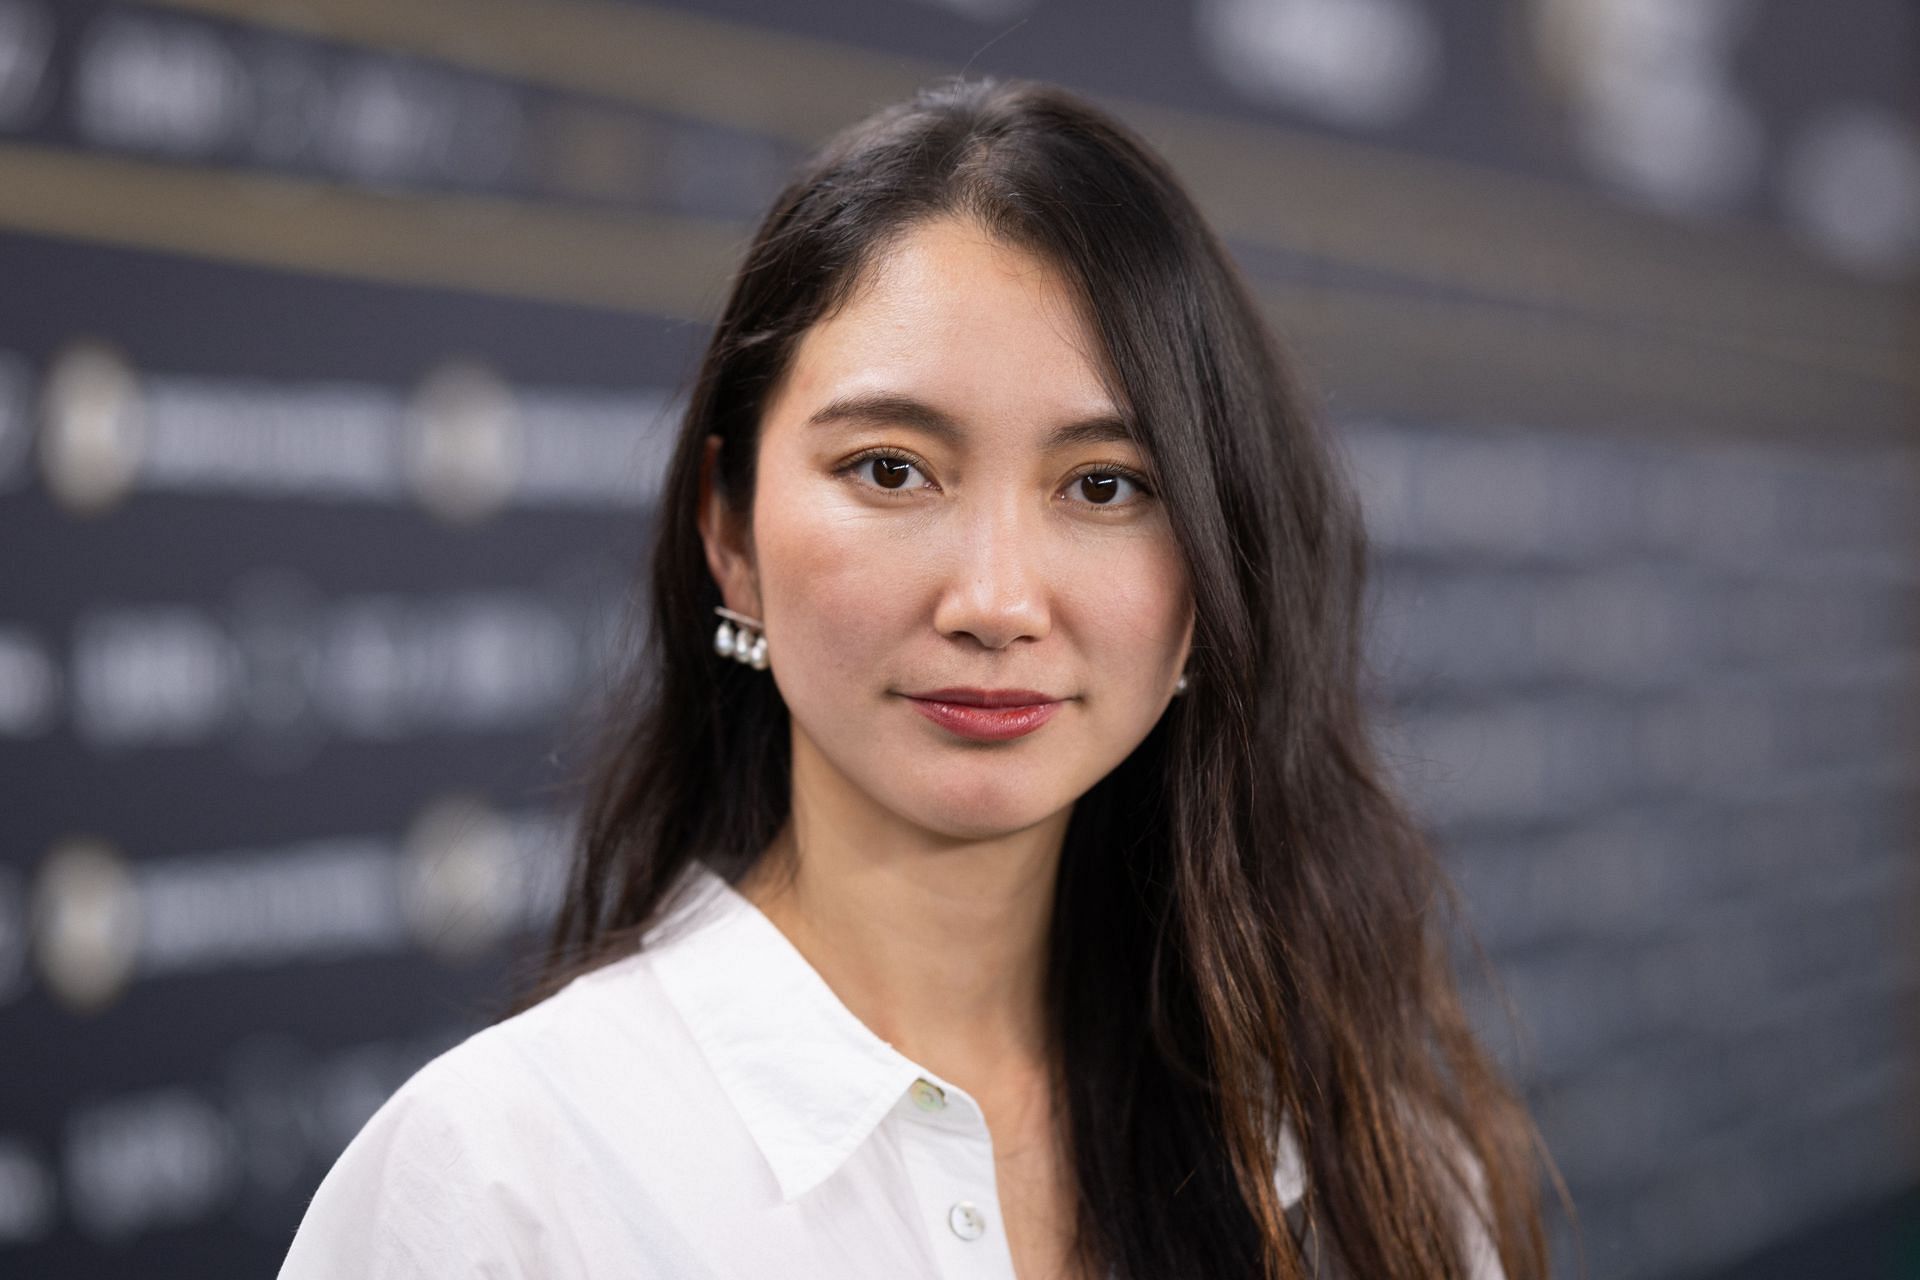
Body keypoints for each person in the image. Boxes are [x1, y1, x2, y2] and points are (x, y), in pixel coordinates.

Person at [279, 76, 1557, 1280]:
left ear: (1212, 570)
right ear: (729, 533)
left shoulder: (1370, 1176)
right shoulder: (500, 1186)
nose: (995, 600)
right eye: (892, 469)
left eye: (1105, 486)